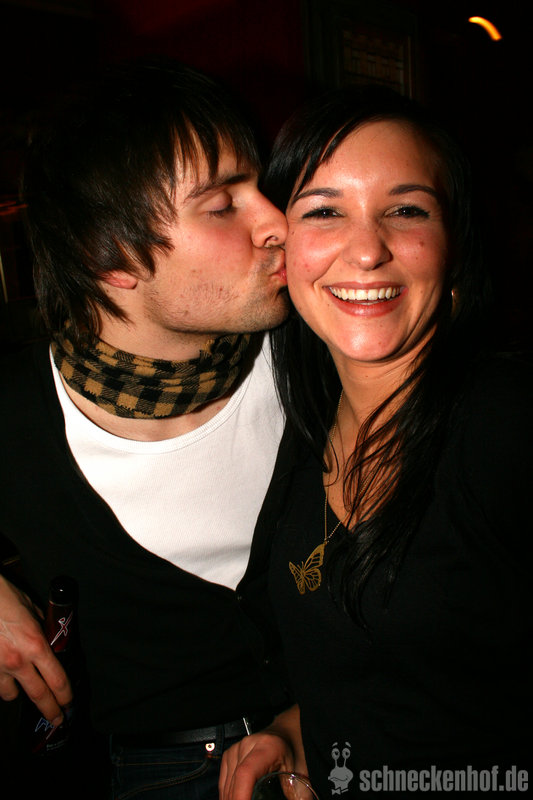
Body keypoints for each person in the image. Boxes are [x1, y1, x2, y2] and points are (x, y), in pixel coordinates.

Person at [220, 87, 532, 799]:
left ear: (454, 246)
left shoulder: (507, 424)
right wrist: (300, 728)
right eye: (324, 211)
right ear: (282, 246)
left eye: (406, 210)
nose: (366, 250)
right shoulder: (306, 434)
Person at [0, 57, 295, 796]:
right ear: (109, 256)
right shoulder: (15, 412)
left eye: (260, 187)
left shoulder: (320, 357)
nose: (276, 223)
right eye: (222, 205)